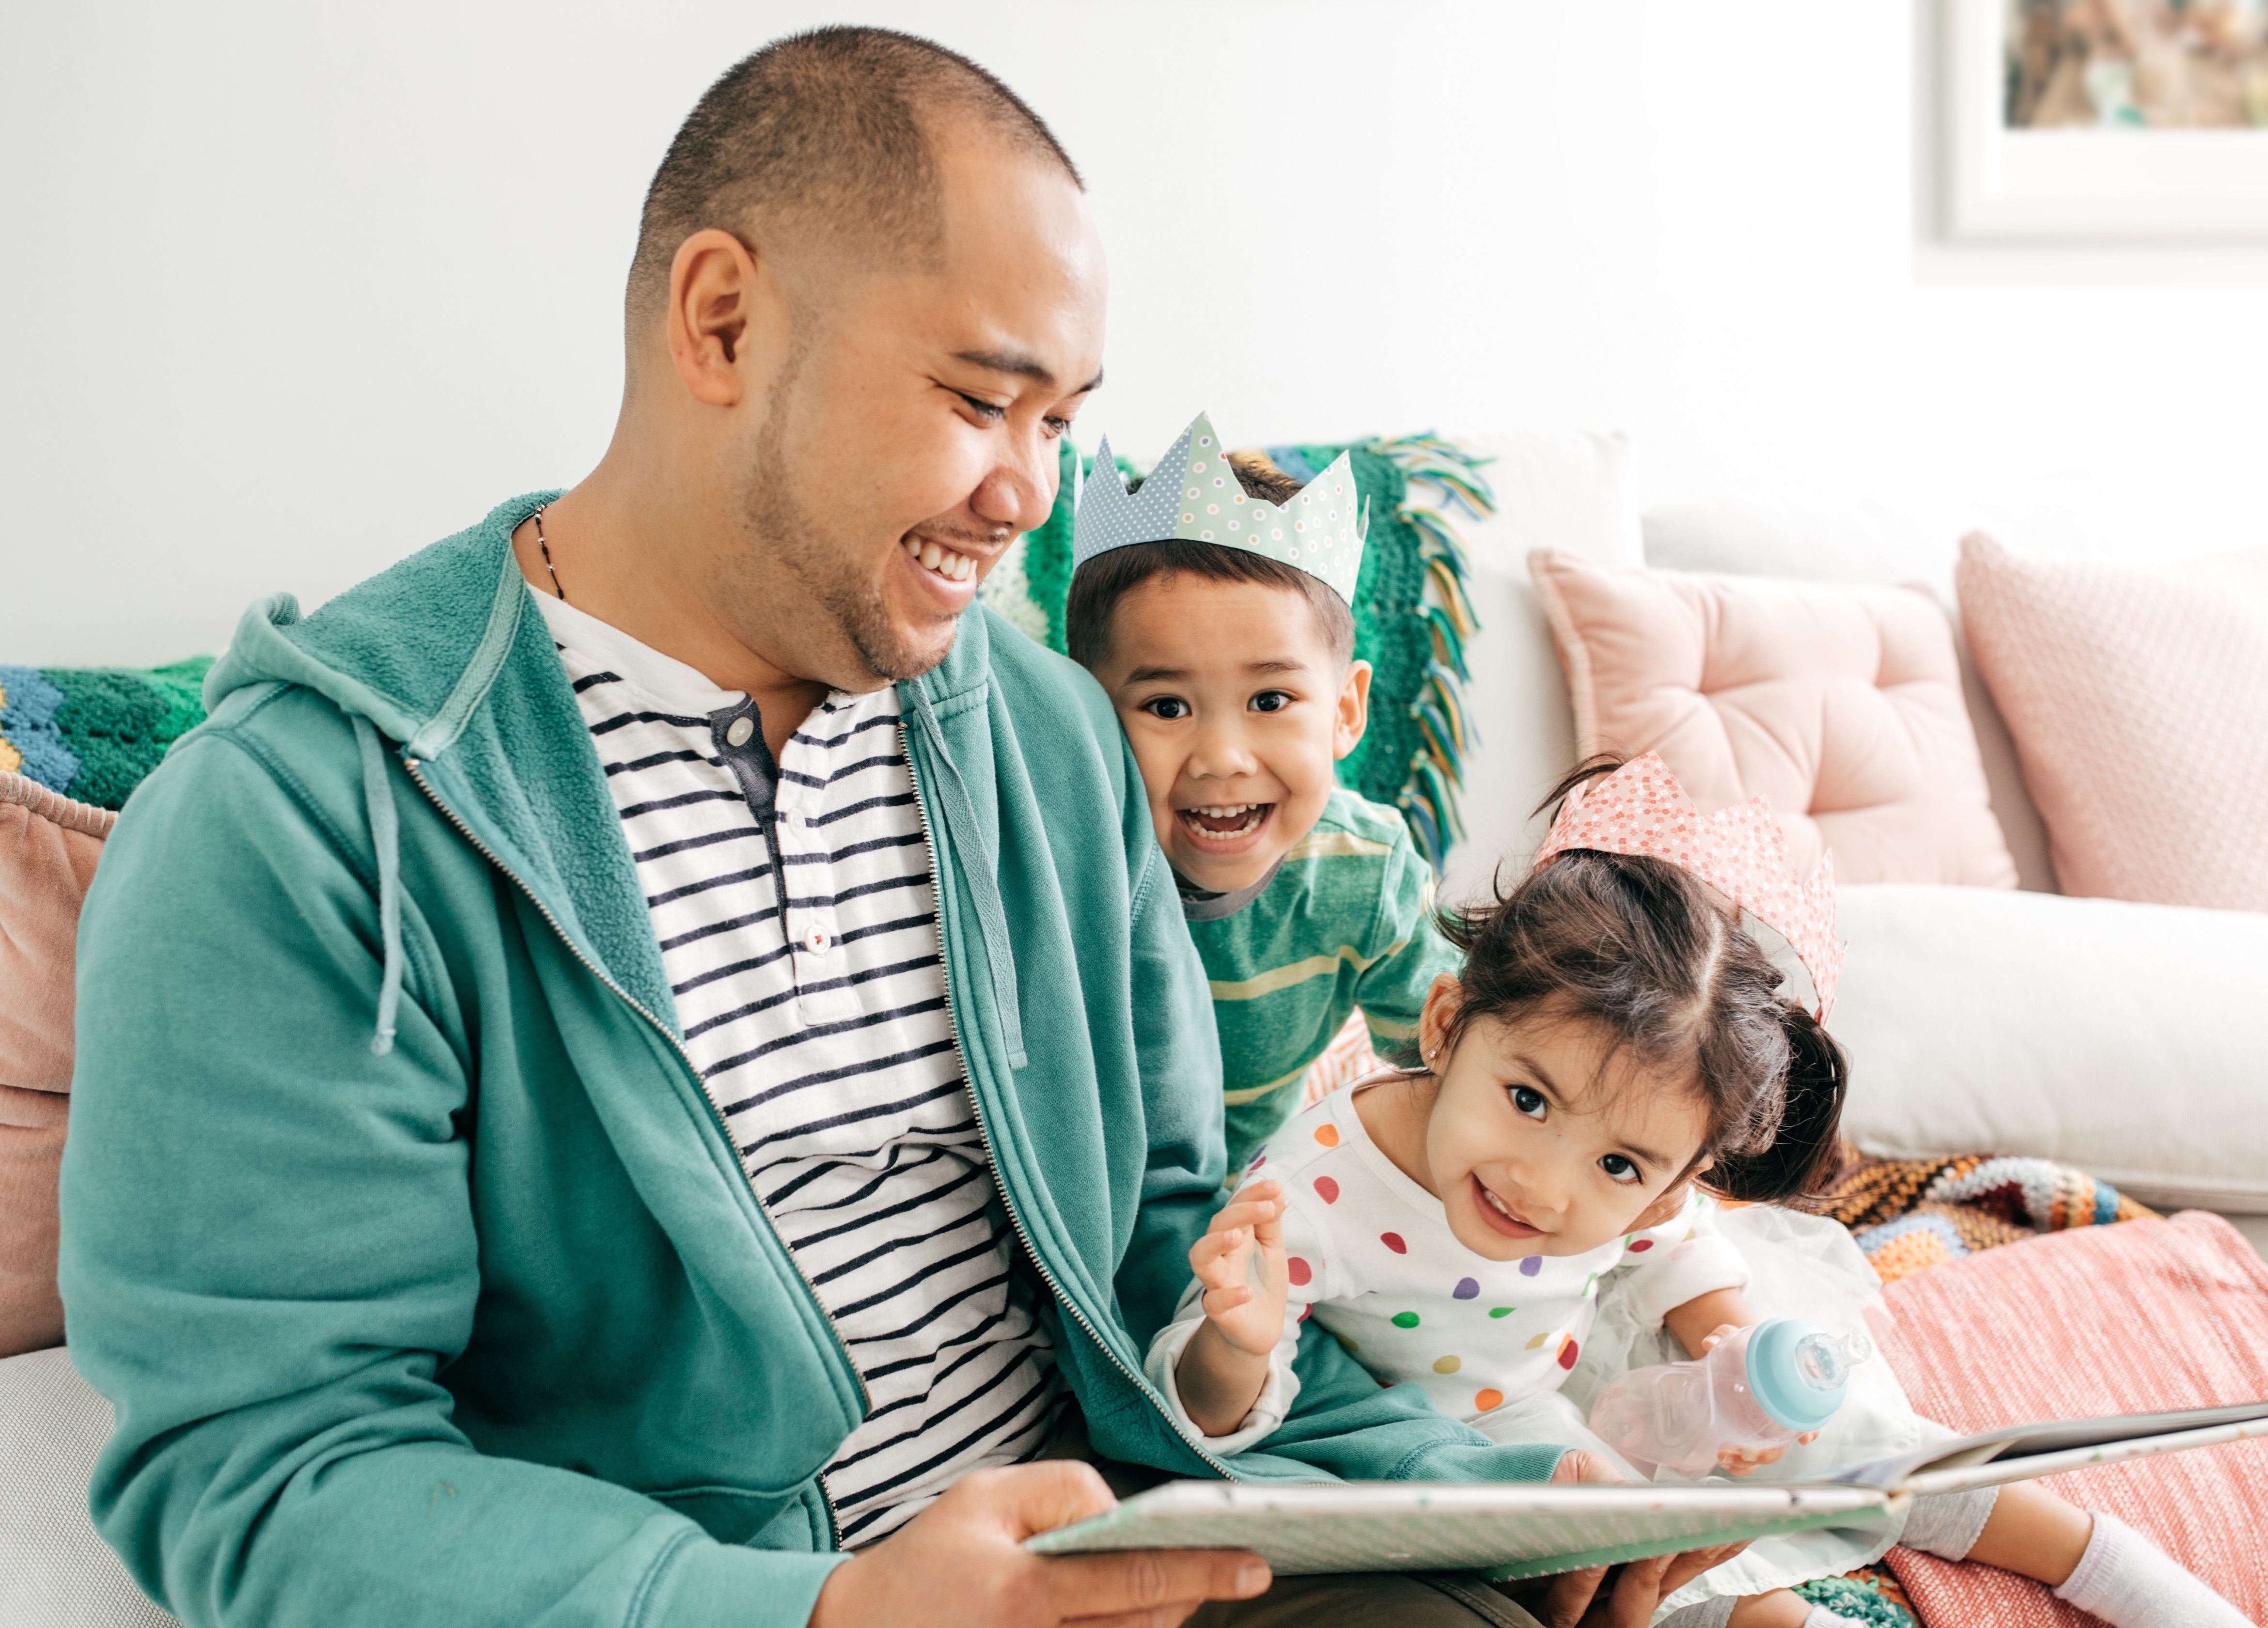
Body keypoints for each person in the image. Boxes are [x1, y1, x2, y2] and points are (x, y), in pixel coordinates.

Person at [58, 28, 1724, 1628]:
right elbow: (268, 1469)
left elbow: (1167, 1250)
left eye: (1061, 420)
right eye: (981, 399)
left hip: (1138, 1553)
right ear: (722, 324)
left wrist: (1501, 1491)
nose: (1029, 493)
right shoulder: (292, 831)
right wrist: (833, 1611)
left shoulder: (1050, 740)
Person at [1155, 755, 2264, 1628]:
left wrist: (1733, 1350)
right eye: (1528, 1100)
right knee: (1668, 1576)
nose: (1543, 1187)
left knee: (1843, 1429)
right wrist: (1238, 1345)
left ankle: (2114, 1570)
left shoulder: (1638, 1186)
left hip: (1607, 1367)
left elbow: (1672, 1250)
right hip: (1475, 1440)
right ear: (1445, 1027)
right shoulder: (1320, 1189)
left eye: (1622, 1166)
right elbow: (1209, 1417)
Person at [1065, 417, 1460, 1175]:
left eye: (1271, 700)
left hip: (1258, 1197)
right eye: (1167, 707)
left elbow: (1454, 1064)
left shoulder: (1366, 871)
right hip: (1084, 1192)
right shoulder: (1064, 863)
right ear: (1087, 713)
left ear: (1346, 712)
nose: (1221, 759)